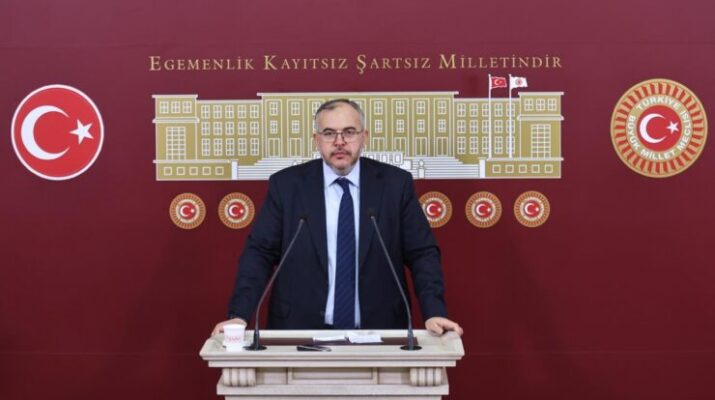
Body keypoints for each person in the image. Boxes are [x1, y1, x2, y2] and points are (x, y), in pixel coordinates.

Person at [212, 99, 462, 336]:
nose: (339, 142)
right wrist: (239, 316)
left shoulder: (395, 184)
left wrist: (434, 311)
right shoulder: (287, 185)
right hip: (299, 329)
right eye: (329, 133)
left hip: (379, 330)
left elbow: (422, 253)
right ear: (316, 140)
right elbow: (259, 253)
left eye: (349, 132)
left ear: (364, 137)